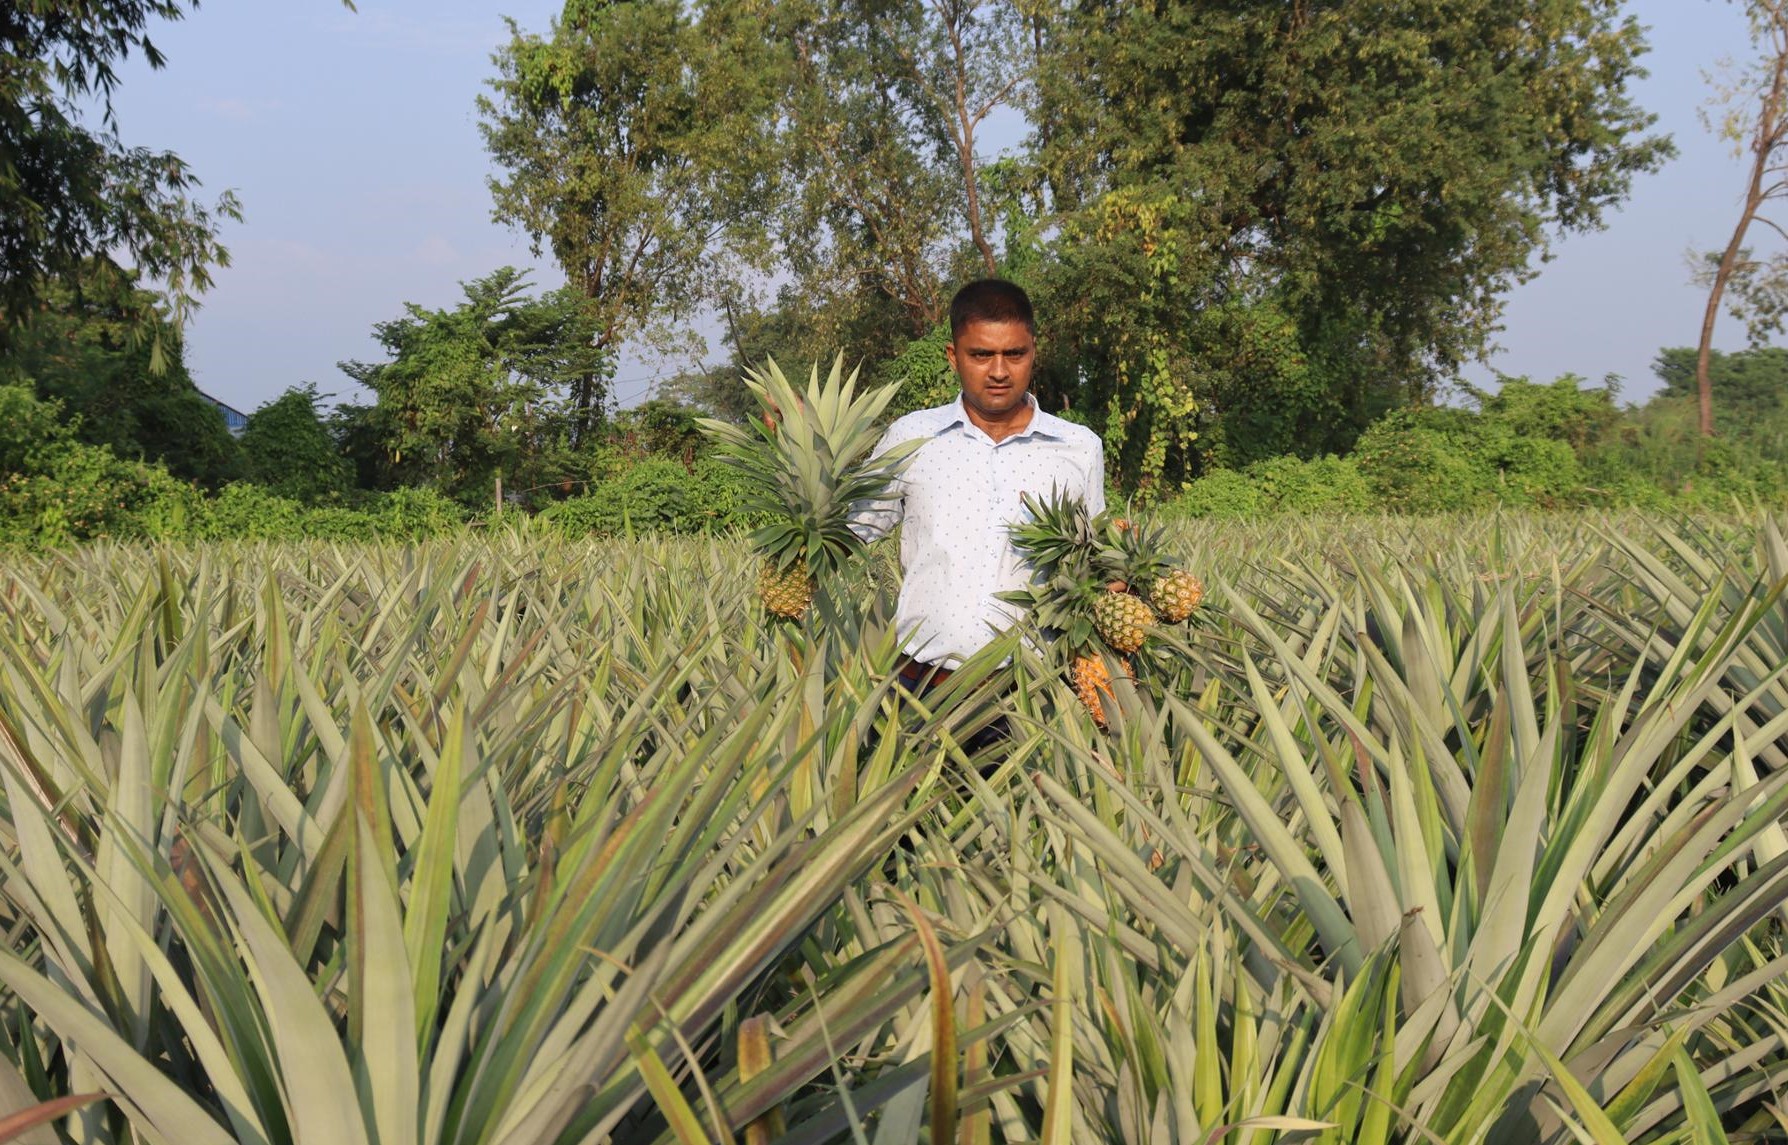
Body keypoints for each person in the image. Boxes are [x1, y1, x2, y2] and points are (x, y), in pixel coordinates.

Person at [852, 279, 1106, 692]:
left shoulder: (1078, 447)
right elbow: (850, 529)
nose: (1000, 371)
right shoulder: (912, 437)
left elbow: (1091, 563)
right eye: (981, 355)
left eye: (1015, 354)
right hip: (923, 683)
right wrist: (798, 443)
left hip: (1034, 690)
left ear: (1033, 353)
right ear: (954, 357)